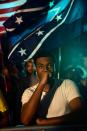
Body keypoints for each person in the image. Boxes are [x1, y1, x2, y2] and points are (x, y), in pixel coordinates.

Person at [21, 53, 85, 126]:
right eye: (41, 66)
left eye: (49, 65)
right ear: (36, 69)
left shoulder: (67, 84)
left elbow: (79, 114)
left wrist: (45, 122)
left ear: (55, 68)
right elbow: (25, 120)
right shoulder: (28, 92)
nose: (46, 69)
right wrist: (41, 84)